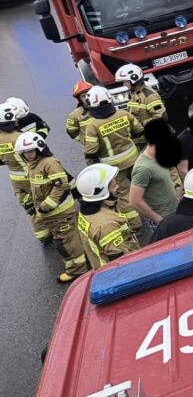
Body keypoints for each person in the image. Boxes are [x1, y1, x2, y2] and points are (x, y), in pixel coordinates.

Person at [16, 132, 87, 282]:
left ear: (39, 148)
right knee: (68, 240)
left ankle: (77, 271)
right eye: (25, 152)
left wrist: (45, 206)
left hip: (60, 213)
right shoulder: (33, 165)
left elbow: (61, 187)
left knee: (65, 243)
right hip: (51, 214)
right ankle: (80, 263)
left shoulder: (49, 163)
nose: (28, 155)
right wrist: (31, 202)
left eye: (31, 151)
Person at [82, 86, 144, 231]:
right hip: (134, 159)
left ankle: (135, 226)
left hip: (113, 167)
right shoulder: (124, 114)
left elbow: (91, 152)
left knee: (124, 195)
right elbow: (139, 131)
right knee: (143, 185)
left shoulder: (93, 126)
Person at [0, 101, 50, 243]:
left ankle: (43, 236)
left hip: (16, 181)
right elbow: (41, 154)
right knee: (44, 201)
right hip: (33, 175)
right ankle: (55, 228)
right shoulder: (20, 137)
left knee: (30, 208)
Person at [75, 164, 140, 269]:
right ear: (102, 193)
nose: (118, 187)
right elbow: (120, 261)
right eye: (113, 186)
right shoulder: (107, 225)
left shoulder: (88, 209)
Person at [129, 120, 182, 240]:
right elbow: (134, 201)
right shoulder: (143, 168)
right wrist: (158, 219)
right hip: (163, 218)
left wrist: (176, 187)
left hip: (173, 211)